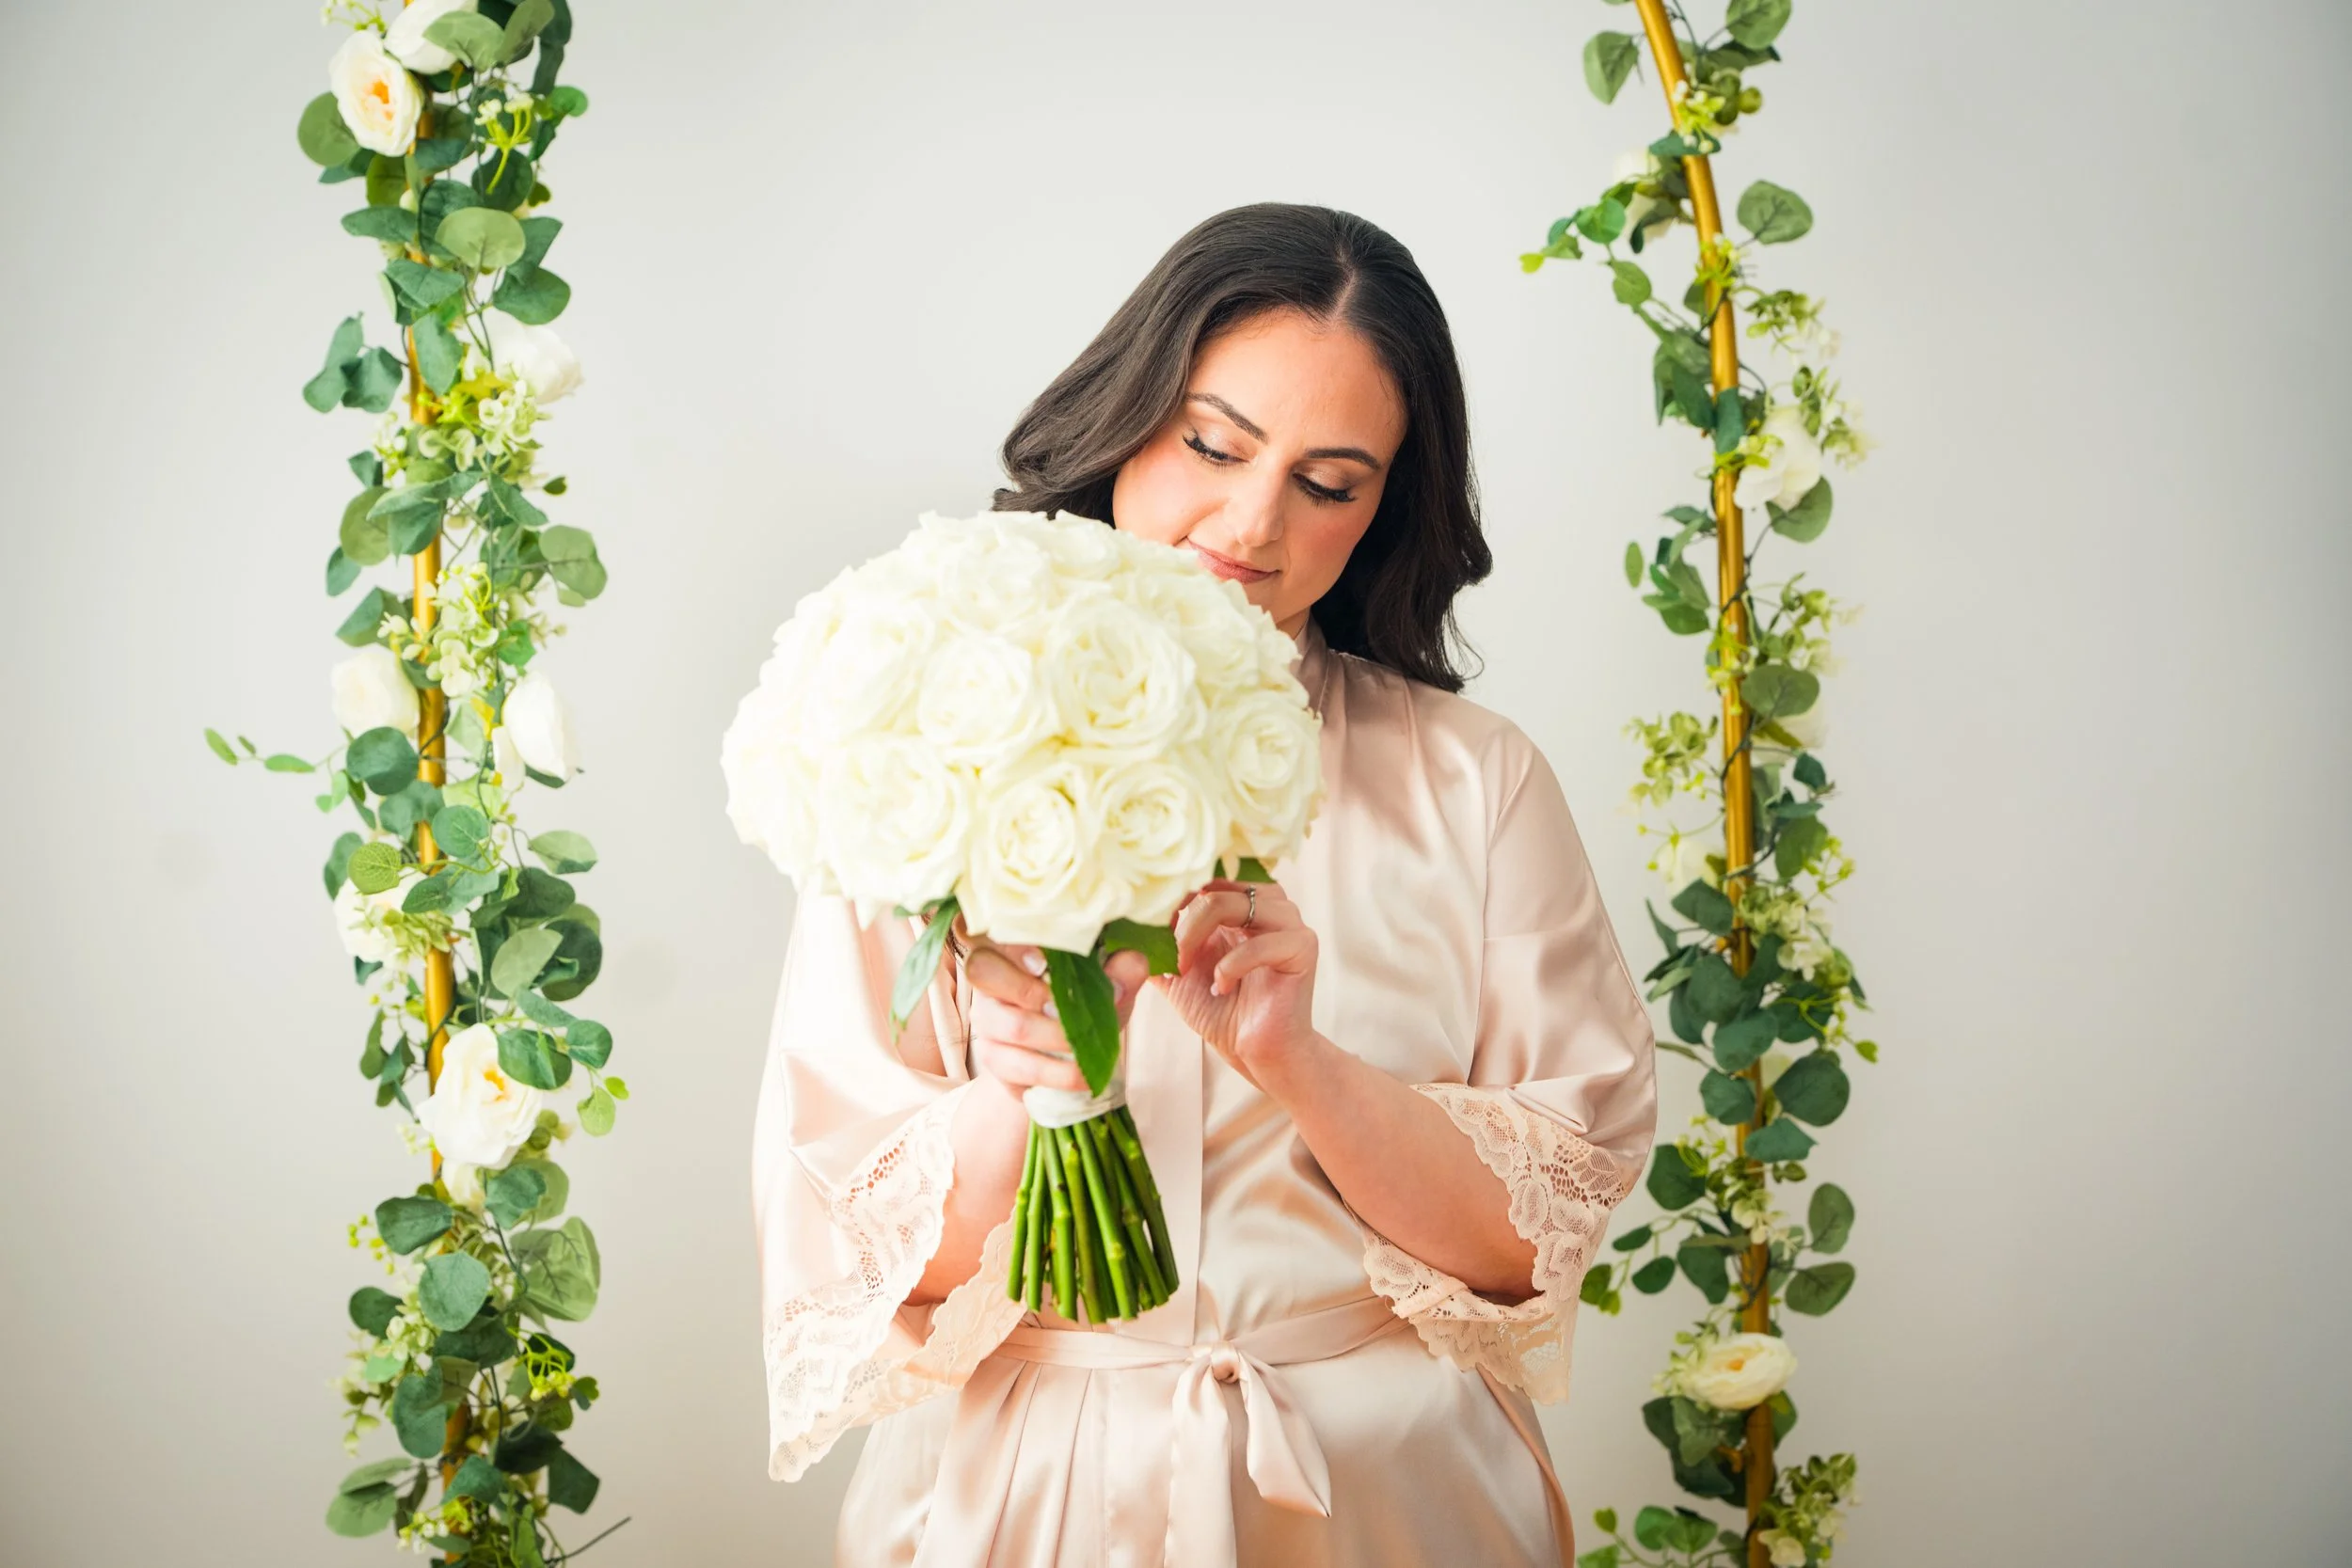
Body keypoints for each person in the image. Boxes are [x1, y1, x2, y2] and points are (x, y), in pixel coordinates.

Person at [750, 202, 1660, 1567]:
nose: (1251, 520)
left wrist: (1298, 1056)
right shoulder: (927, 734)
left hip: (1390, 1500)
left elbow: (1535, 1243)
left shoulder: (1477, 783)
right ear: (1127, 415)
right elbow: (873, 1255)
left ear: (1384, 509)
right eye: (1214, 444)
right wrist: (1030, 1088)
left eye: (1329, 481)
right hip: (1025, 1496)